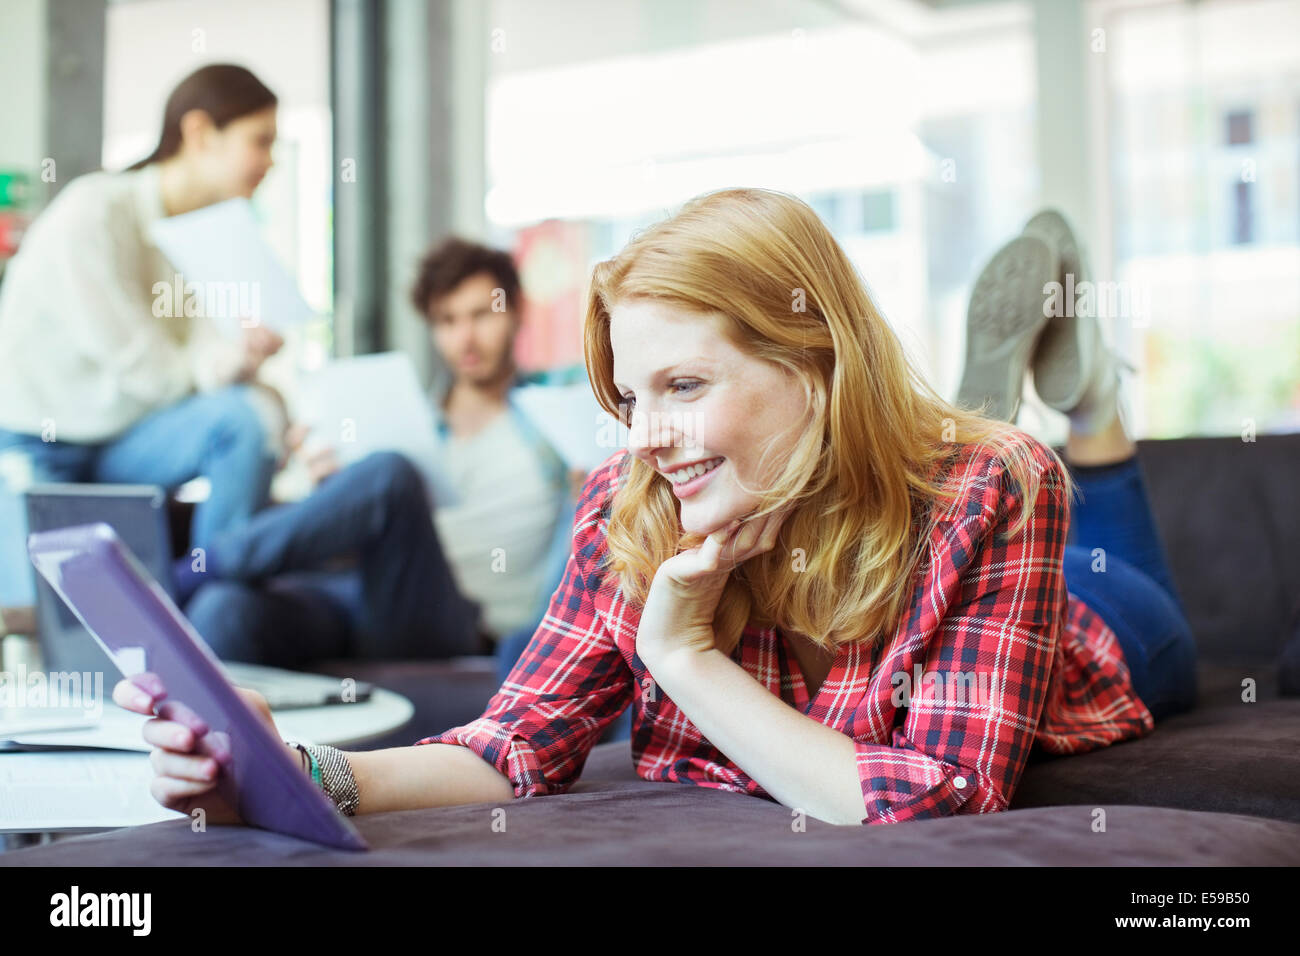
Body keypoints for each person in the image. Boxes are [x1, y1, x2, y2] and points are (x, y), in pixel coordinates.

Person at [116, 188, 1197, 826]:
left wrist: (684, 660)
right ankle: (988, 401)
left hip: (1089, 640)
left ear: (815, 365)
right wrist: (299, 773)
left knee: (1108, 560)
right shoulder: (625, 501)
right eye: (630, 397)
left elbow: (934, 793)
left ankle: (1087, 401)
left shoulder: (999, 486)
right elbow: (518, 739)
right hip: (918, 493)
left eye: (682, 386)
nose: (643, 437)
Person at [177, 238, 596, 673]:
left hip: (455, 623)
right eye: (447, 321)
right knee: (223, 608)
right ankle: (207, 593)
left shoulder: (552, 415)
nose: (465, 337)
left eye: (481, 315)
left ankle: (195, 568)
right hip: (365, 599)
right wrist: (333, 493)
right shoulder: (406, 416)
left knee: (391, 473)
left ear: (515, 313)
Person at [0, 64, 288, 604]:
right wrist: (222, 363)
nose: (270, 162)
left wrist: (244, 362)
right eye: (261, 141)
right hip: (35, 443)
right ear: (201, 133)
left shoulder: (210, 238)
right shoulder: (95, 210)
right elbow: (140, 362)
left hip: (121, 439)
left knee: (251, 416)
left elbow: (199, 361)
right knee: (39, 630)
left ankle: (217, 607)